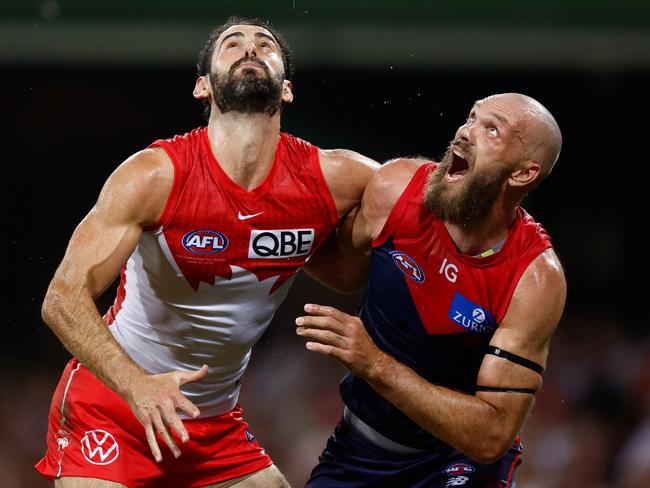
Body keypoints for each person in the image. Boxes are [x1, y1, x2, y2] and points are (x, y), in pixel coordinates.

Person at [35, 16, 379, 488]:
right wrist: (136, 386)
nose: (250, 49)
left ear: (288, 90)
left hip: (214, 425)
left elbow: (421, 199)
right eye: (231, 44)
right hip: (114, 408)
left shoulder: (334, 178)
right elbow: (62, 298)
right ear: (203, 87)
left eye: (265, 44)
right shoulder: (155, 175)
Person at [296, 92, 567, 487]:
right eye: (471, 117)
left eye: (492, 130)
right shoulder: (396, 188)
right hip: (358, 450)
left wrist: (375, 364)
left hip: (457, 460)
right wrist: (262, 236)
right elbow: (342, 272)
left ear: (522, 174)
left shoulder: (534, 278)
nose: (465, 132)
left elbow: (491, 436)